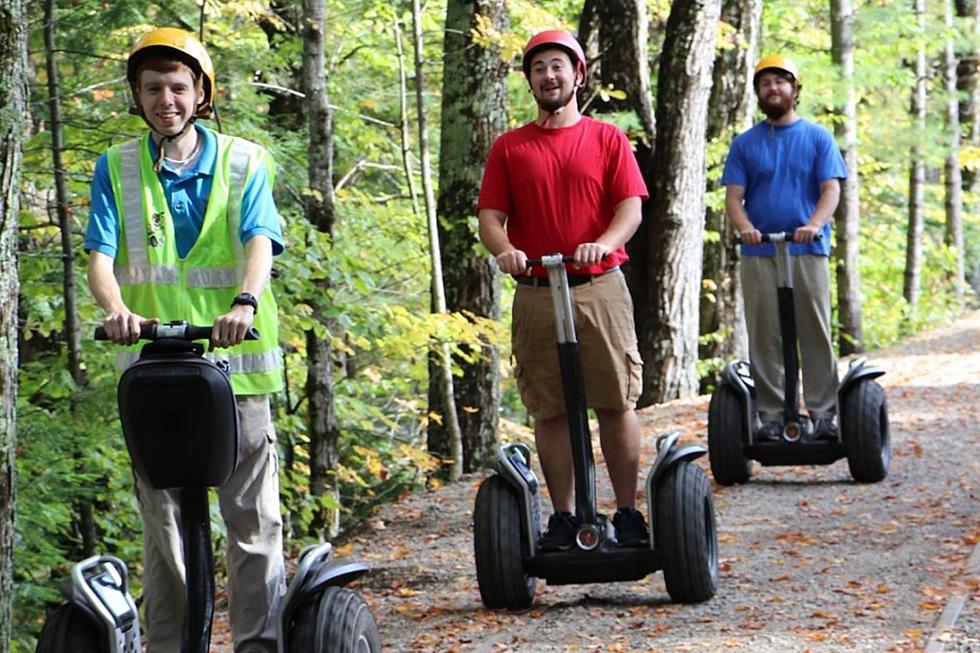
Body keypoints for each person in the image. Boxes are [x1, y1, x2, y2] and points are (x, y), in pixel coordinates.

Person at [85, 27, 286, 652]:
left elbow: (260, 240)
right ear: (136, 96)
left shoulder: (246, 159)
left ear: (201, 93)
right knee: (163, 526)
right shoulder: (115, 167)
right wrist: (116, 308)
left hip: (239, 369)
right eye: (152, 88)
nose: (164, 99)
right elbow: (100, 254)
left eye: (177, 86)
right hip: (155, 376)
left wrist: (245, 302)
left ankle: (258, 645)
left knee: (252, 522)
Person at [477, 30, 649, 551]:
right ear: (529, 80)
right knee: (549, 407)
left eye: (558, 66)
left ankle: (626, 513)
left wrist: (604, 243)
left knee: (615, 401)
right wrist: (504, 249)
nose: (549, 76)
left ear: (578, 74)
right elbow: (490, 217)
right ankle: (565, 519)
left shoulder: (606, 138)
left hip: (598, 286)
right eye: (538, 68)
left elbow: (631, 208)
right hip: (535, 290)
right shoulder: (511, 146)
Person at [720, 54, 847, 441]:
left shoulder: (817, 138)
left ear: (795, 89)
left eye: (780, 81)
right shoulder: (745, 144)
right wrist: (746, 230)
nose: (773, 88)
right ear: (758, 93)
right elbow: (733, 199)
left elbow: (831, 190)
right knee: (765, 335)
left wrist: (813, 225)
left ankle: (824, 415)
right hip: (760, 253)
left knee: (815, 331)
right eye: (765, 83)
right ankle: (773, 417)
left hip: (807, 251)